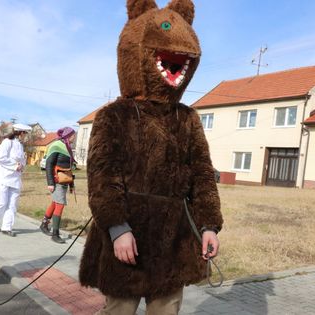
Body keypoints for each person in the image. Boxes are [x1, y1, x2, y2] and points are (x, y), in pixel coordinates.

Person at [79, 1, 223, 314]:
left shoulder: (188, 119)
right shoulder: (113, 116)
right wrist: (118, 229)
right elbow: (102, 179)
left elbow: (202, 176)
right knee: (120, 309)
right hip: (126, 240)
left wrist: (209, 225)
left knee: (167, 310)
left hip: (174, 241)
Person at [0, 124, 32, 237]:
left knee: (12, 205)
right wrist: (15, 165)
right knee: (1, 203)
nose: (26, 136)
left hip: (15, 179)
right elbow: (0, 157)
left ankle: (6, 227)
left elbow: (21, 161)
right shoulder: (7, 142)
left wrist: (22, 165)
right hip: (3, 177)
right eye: (25, 133)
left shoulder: (20, 145)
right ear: (21, 133)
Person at [39, 127, 76, 244]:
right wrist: (50, 183)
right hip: (56, 180)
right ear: (67, 135)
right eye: (73, 135)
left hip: (64, 180)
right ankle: (55, 234)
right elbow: (49, 164)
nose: (74, 138)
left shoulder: (68, 148)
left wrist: (71, 184)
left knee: (55, 203)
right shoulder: (56, 145)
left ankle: (44, 224)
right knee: (60, 204)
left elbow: (69, 168)